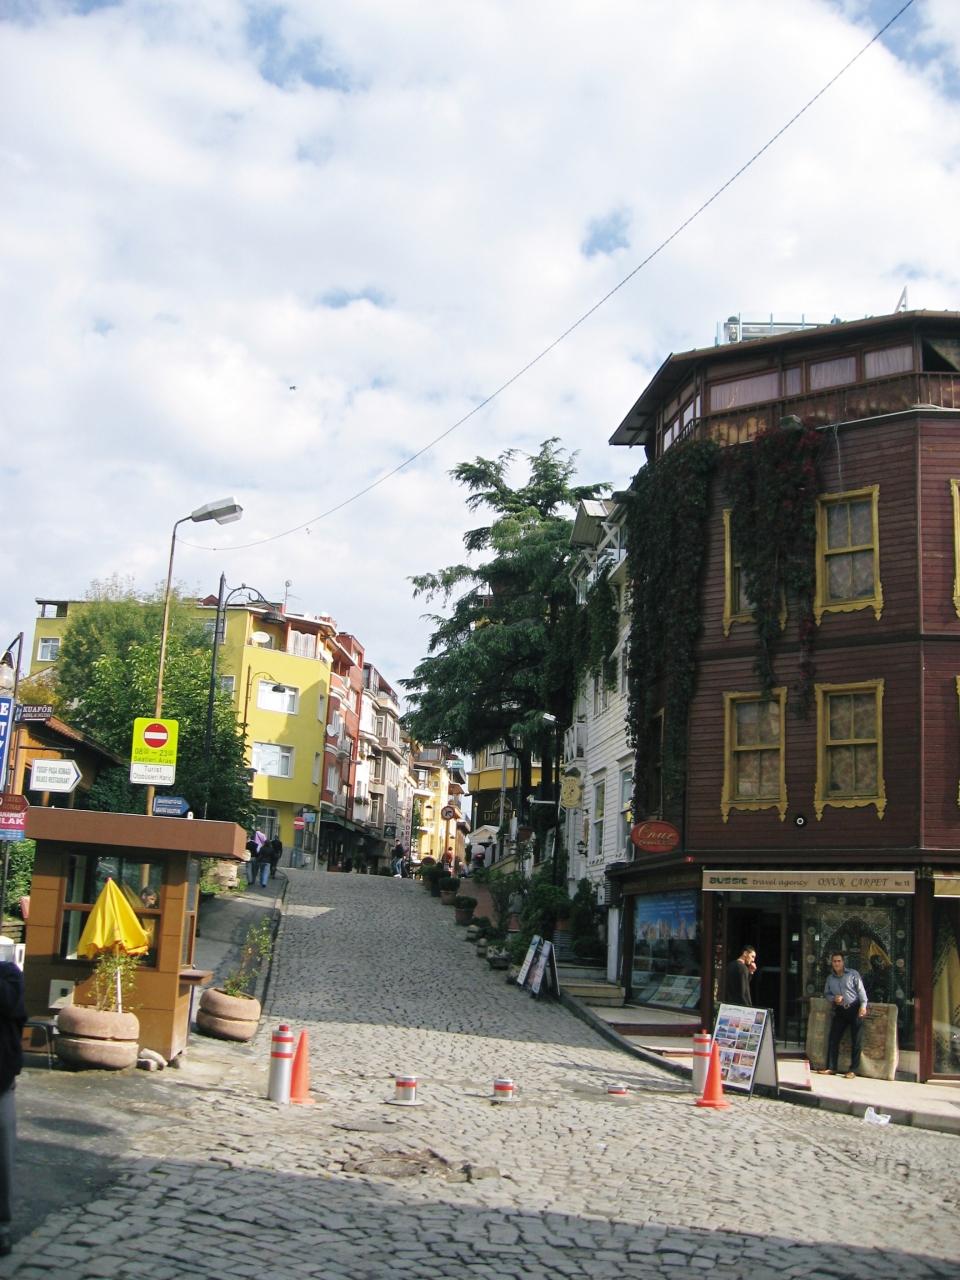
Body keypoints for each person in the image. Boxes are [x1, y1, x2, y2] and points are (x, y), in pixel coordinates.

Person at [0, 957, 25, 1255]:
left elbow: (8, 1004)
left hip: (1, 1084)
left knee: (2, 1159)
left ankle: (1, 1228)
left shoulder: (9, 975)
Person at [819, 951, 869, 1078]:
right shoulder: (830, 979)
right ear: (832, 963)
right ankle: (831, 1067)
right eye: (834, 961)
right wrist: (834, 998)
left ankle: (853, 1070)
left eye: (839, 961)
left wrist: (863, 1006)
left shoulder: (853, 974)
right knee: (833, 1038)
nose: (837, 963)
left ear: (843, 962)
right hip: (840, 1010)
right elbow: (827, 994)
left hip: (854, 1008)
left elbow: (861, 991)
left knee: (856, 1040)